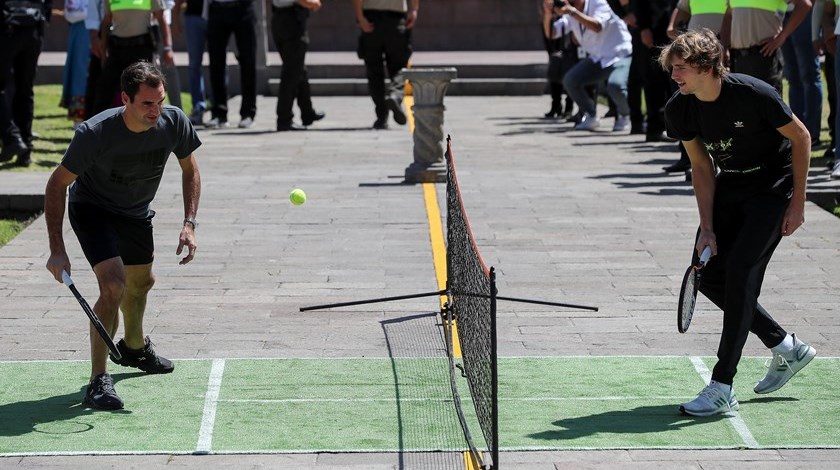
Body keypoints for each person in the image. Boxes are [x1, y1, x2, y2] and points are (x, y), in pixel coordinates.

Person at [660, 29, 816, 417]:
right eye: (672, 68)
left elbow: (802, 137)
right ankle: (785, 346)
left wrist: (798, 203)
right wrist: (707, 227)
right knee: (709, 276)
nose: (675, 76)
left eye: (681, 68)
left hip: (773, 186)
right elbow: (701, 166)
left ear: (705, 66)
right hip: (732, 185)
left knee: (742, 272)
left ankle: (722, 385)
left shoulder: (754, 93)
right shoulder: (680, 108)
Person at [44, 61, 201, 410]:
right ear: (125, 99)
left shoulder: (174, 121)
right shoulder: (95, 134)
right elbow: (56, 185)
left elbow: (190, 169)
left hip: (135, 212)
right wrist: (57, 250)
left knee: (142, 282)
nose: (156, 110)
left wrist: (189, 223)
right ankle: (98, 379)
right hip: (93, 209)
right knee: (113, 285)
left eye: (159, 101)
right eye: (147, 103)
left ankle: (133, 348)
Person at [543, 0, 633, 132]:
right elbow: (552, 33)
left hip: (619, 54)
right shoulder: (571, 12)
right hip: (597, 58)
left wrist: (573, 12)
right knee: (570, 80)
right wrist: (547, 14)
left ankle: (625, 115)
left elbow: (597, 26)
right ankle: (591, 115)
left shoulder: (599, 3)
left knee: (616, 86)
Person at [92, 0, 174, 115]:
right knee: (104, 90)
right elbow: (106, 22)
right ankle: (97, 129)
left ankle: (151, 127)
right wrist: (104, 54)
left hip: (141, 49)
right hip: (117, 49)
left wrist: (168, 48)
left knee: (146, 89)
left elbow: (161, 19)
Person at [352, 0, 418, 130]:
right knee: (400, 68)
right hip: (396, 19)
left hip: (371, 20)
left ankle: (382, 117)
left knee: (374, 71)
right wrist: (414, 10)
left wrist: (360, 18)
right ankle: (395, 95)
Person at [0, 0, 51, 166]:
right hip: (33, 27)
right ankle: (25, 150)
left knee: (18, 89)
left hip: (8, 26)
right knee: (25, 90)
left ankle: (13, 138)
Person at [722, 0, 812, 93]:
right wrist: (724, 47)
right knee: (743, 105)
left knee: (768, 105)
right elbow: (728, 15)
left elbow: (804, 5)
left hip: (765, 57)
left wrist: (783, 36)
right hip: (739, 60)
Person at [270, 0, 325, 131]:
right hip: (291, 20)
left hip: (281, 19)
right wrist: (313, 3)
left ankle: (307, 112)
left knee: (298, 68)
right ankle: (284, 119)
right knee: (291, 72)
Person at [205, 0, 258, 129]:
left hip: (243, 8)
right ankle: (219, 113)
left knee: (248, 61)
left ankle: (248, 113)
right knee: (216, 62)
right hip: (217, 8)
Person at [174, 0, 210, 125]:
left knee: (219, 63)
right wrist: (175, 19)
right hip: (193, 17)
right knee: (194, 64)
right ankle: (198, 108)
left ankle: (219, 110)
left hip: (216, 15)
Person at [541, 1, 578, 120]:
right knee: (555, 66)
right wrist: (549, 10)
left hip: (569, 28)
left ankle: (569, 106)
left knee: (569, 68)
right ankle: (555, 104)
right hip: (552, 23)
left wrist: (567, 6)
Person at [60, 0, 91, 129]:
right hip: (81, 34)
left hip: (104, 31)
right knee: (79, 77)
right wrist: (91, 12)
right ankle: (79, 124)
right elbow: (70, 13)